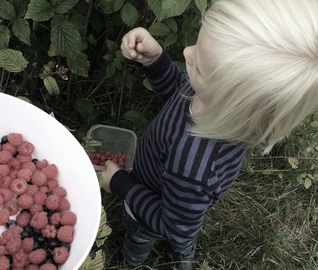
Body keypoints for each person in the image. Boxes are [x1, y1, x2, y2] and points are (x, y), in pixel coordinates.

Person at [101, 0, 318, 268]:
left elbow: (171, 223)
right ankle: (184, 250)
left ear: (230, 105)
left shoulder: (192, 168)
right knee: (185, 222)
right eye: (197, 42)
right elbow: (180, 91)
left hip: (149, 209)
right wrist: (156, 61)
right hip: (177, 199)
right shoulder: (216, 103)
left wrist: (121, 183)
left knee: (158, 233)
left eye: (200, 67)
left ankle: (136, 261)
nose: (186, 51)